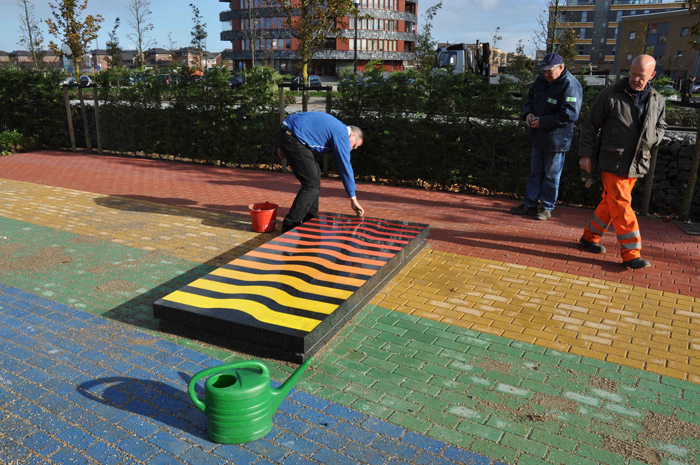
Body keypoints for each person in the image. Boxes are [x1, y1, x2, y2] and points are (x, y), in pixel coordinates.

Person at [578, 54, 666, 269]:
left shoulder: (657, 99)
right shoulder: (609, 95)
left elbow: (661, 126)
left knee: (611, 202)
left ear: (652, 75)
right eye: (633, 74)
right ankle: (631, 253)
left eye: (641, 76)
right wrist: (585, 154)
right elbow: (590, 126)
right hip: (613, 161)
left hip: (637, 162)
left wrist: (653, 139)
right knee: (621, 204)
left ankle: (589, 237)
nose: (636, 79)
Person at [510, 53, 583, 221]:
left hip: (557, 140)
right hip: (538, 135)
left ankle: (546, 207)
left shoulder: (571, 85)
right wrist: (527, 114)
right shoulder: (541, 80)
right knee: (534, 171)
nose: (546, 75)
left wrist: (542, 122)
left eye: (549, 71)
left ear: (561, 68)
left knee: (551, 174)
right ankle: (530, 204)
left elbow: (570, 115)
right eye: (543, 71)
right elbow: (530, 99)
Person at [276, 112, 364, 232]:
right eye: (354, 146)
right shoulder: (343, 134)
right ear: (352, 135)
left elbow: (306, 127)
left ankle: (310, 219)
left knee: (315, 174)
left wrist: (283, 145)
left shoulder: (337, 127)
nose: (352, 149)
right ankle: (290, 225)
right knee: (311, 183)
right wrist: (353, 197)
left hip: (288, 132)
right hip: (293, 137)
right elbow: (345, 166)